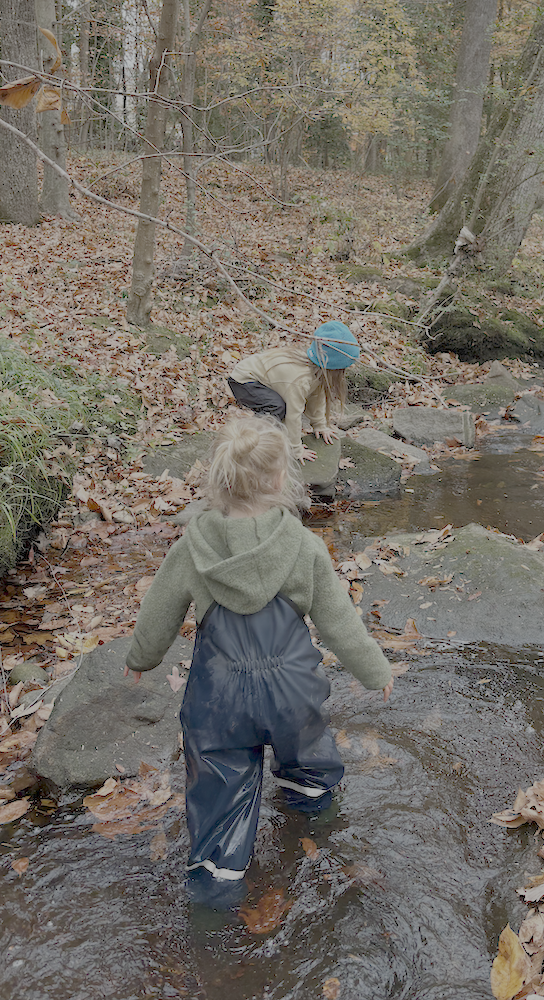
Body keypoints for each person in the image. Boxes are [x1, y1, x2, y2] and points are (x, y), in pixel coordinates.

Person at [124, 413, 393, 907]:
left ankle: (214, 889)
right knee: (307, 754)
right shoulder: (303, 545)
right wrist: (376, 670)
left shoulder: (193, 547)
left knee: (220, 784)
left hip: (219, 696)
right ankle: (316, 821)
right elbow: (339, 620)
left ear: (219, 480)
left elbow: (159, 610)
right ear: (278, 480)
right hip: (292, 689)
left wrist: (140, 657)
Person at [227, 321, 360, 461]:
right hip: (243, 380)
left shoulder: (316, 370)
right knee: (276, 407)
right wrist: (296, 449)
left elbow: (317, 396)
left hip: (264, 378)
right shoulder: (300, 380)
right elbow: (293, 416)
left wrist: (320, 425)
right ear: (334, 367)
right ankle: (253, 440)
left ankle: (264, 435)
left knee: (279, 407)